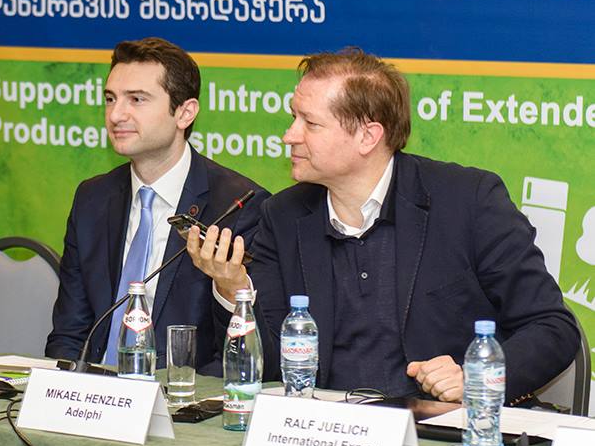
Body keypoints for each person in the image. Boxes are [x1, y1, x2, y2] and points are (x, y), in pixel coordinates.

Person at [188, 48, 580, 404]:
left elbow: (552, 327)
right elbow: (272, 365)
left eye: (310, 123)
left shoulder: (467, 200)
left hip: (439, 431)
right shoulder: (283, 216)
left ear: (368, 136)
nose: (289, 136)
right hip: (327, 432)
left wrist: (475, 377)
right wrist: (234, 290)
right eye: (293, 117)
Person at [46, 38, 268, 370]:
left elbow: (241, 353)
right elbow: (69, 333)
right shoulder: (92, 199)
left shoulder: (238, 208)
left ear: (185, 113)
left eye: (137, 99)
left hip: (180, 392)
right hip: (93, 390)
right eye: (110, 99)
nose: (116, 115)